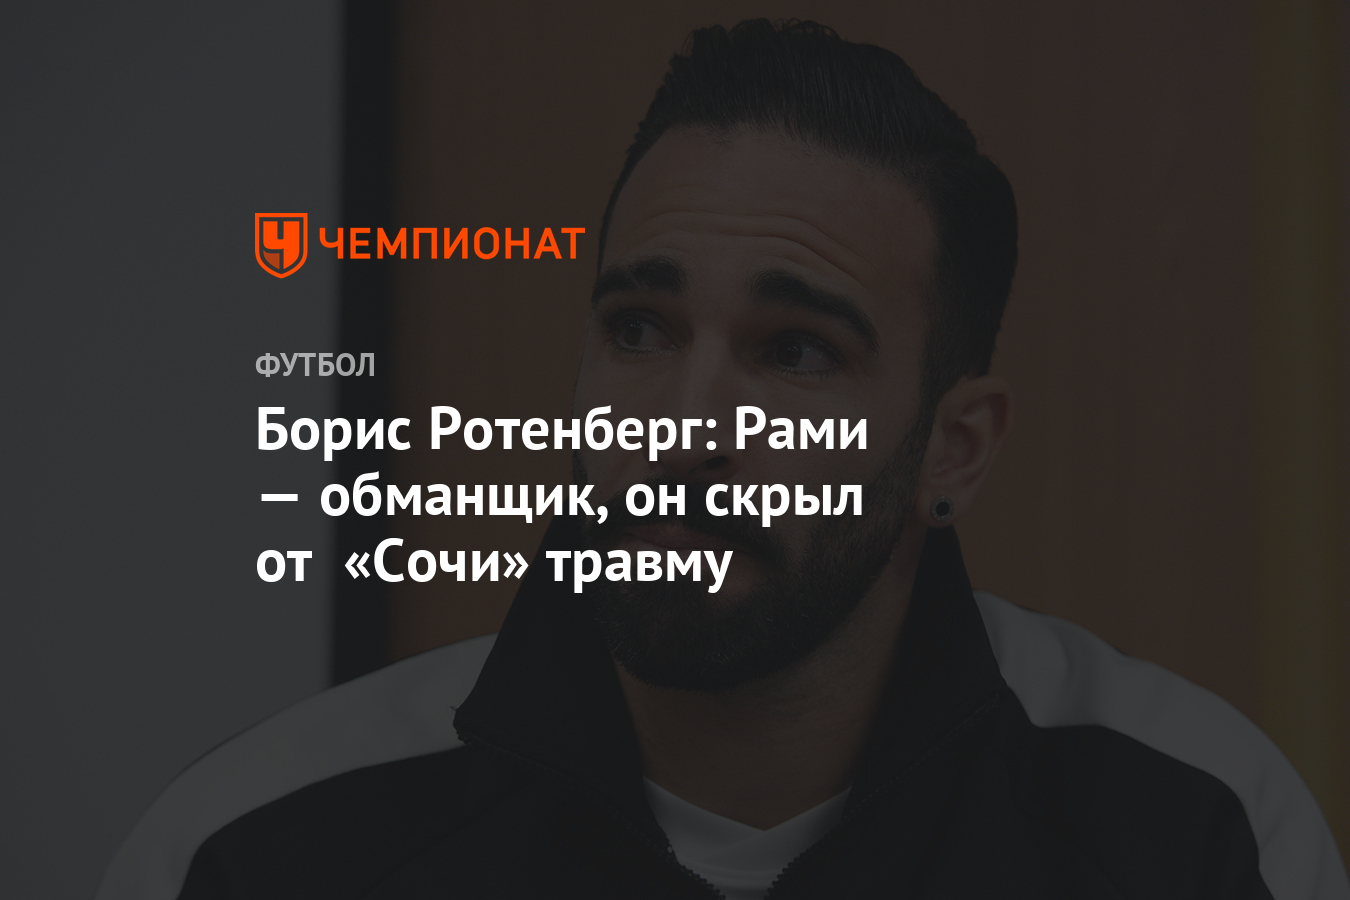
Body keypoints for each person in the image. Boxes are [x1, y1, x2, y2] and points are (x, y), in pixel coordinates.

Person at [99, 19, 1348, 900]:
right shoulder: (262, 850)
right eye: (639, 329)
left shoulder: (1197, 836)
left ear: (953, 449)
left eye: (796, 351)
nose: (682, 420)